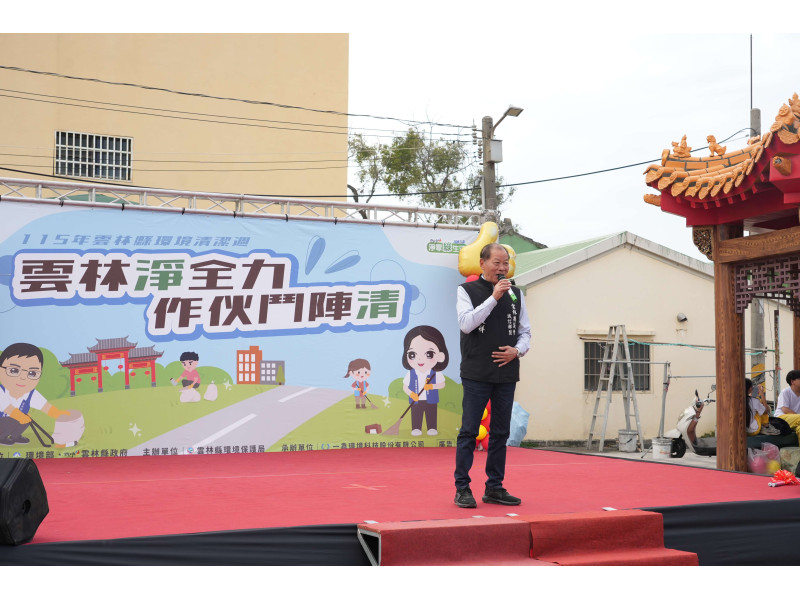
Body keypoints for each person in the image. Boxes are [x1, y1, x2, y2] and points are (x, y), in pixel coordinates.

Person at [454, 243, 531, 508]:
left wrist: (517, 351)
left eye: (505, 263)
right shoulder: (466, 291)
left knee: (500, 432)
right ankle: (462, 488)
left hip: (506, 373)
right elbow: (466, 324)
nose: (502, 268)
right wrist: (494, 297)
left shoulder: (516, 294)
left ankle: (494, 487)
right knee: (469, 431)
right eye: (496, 262)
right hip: (476, 372)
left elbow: (526, 332)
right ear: (482, 263)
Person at [0, 342, 70, 445]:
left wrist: (57, 414)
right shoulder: (1, 391)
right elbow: (7, 408)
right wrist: (19, 416)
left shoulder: (30, 394)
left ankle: (15, 436)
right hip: (3, 421)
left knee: (27, 417)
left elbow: (45, 406)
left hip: (15, 419)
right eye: (14, 370)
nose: (23, 377)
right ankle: (1, 437)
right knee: (15, 419)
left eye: (32, 373)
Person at [401, 325, 448, 436]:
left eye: (429, 354)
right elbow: (405, 387)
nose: (420, 359)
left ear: (440, 356)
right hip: (416, 399)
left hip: (431, 399)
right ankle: (416, 428)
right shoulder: (411, 373)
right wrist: (412, 394)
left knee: (431, 413)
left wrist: (432, 386)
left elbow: (442, 384)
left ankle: (432, 427)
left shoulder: (435, 373)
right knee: (416, 413)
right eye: (412, 354)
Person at [775, 369, 800, 439]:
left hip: (795, 420)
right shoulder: (785, 392)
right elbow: (785, 409)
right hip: (782, 418)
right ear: (792, 381)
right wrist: (797, 416)